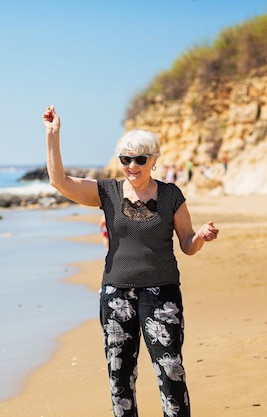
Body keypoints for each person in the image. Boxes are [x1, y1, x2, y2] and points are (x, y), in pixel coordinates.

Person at [42, 105, 219, 417]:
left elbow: (187, 244)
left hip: (162, 295)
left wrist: (201, 237)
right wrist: (53, 136)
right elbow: (60, 181)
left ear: (153, 160)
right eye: (125, 159)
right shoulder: (107, 192)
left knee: (171, 372)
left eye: (139, 159)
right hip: (116, 294)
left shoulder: (171, 195)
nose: (132, 165)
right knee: (120, 377)